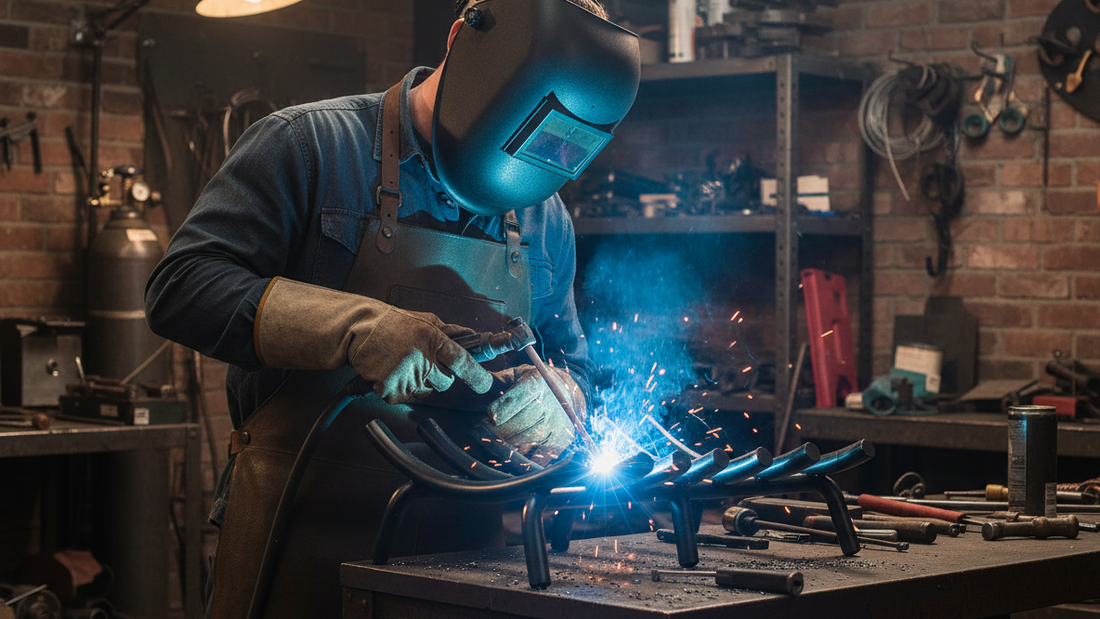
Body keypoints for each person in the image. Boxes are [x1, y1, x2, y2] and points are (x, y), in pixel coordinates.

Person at [144, 0, 639, 617]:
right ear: (463, 42)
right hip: (298, 539)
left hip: (465, 567)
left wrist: (562, 395)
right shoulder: (308, 146)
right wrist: (355, 328)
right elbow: (181, 287)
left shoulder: (543, 215)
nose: (532, 165)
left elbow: (574, 363)